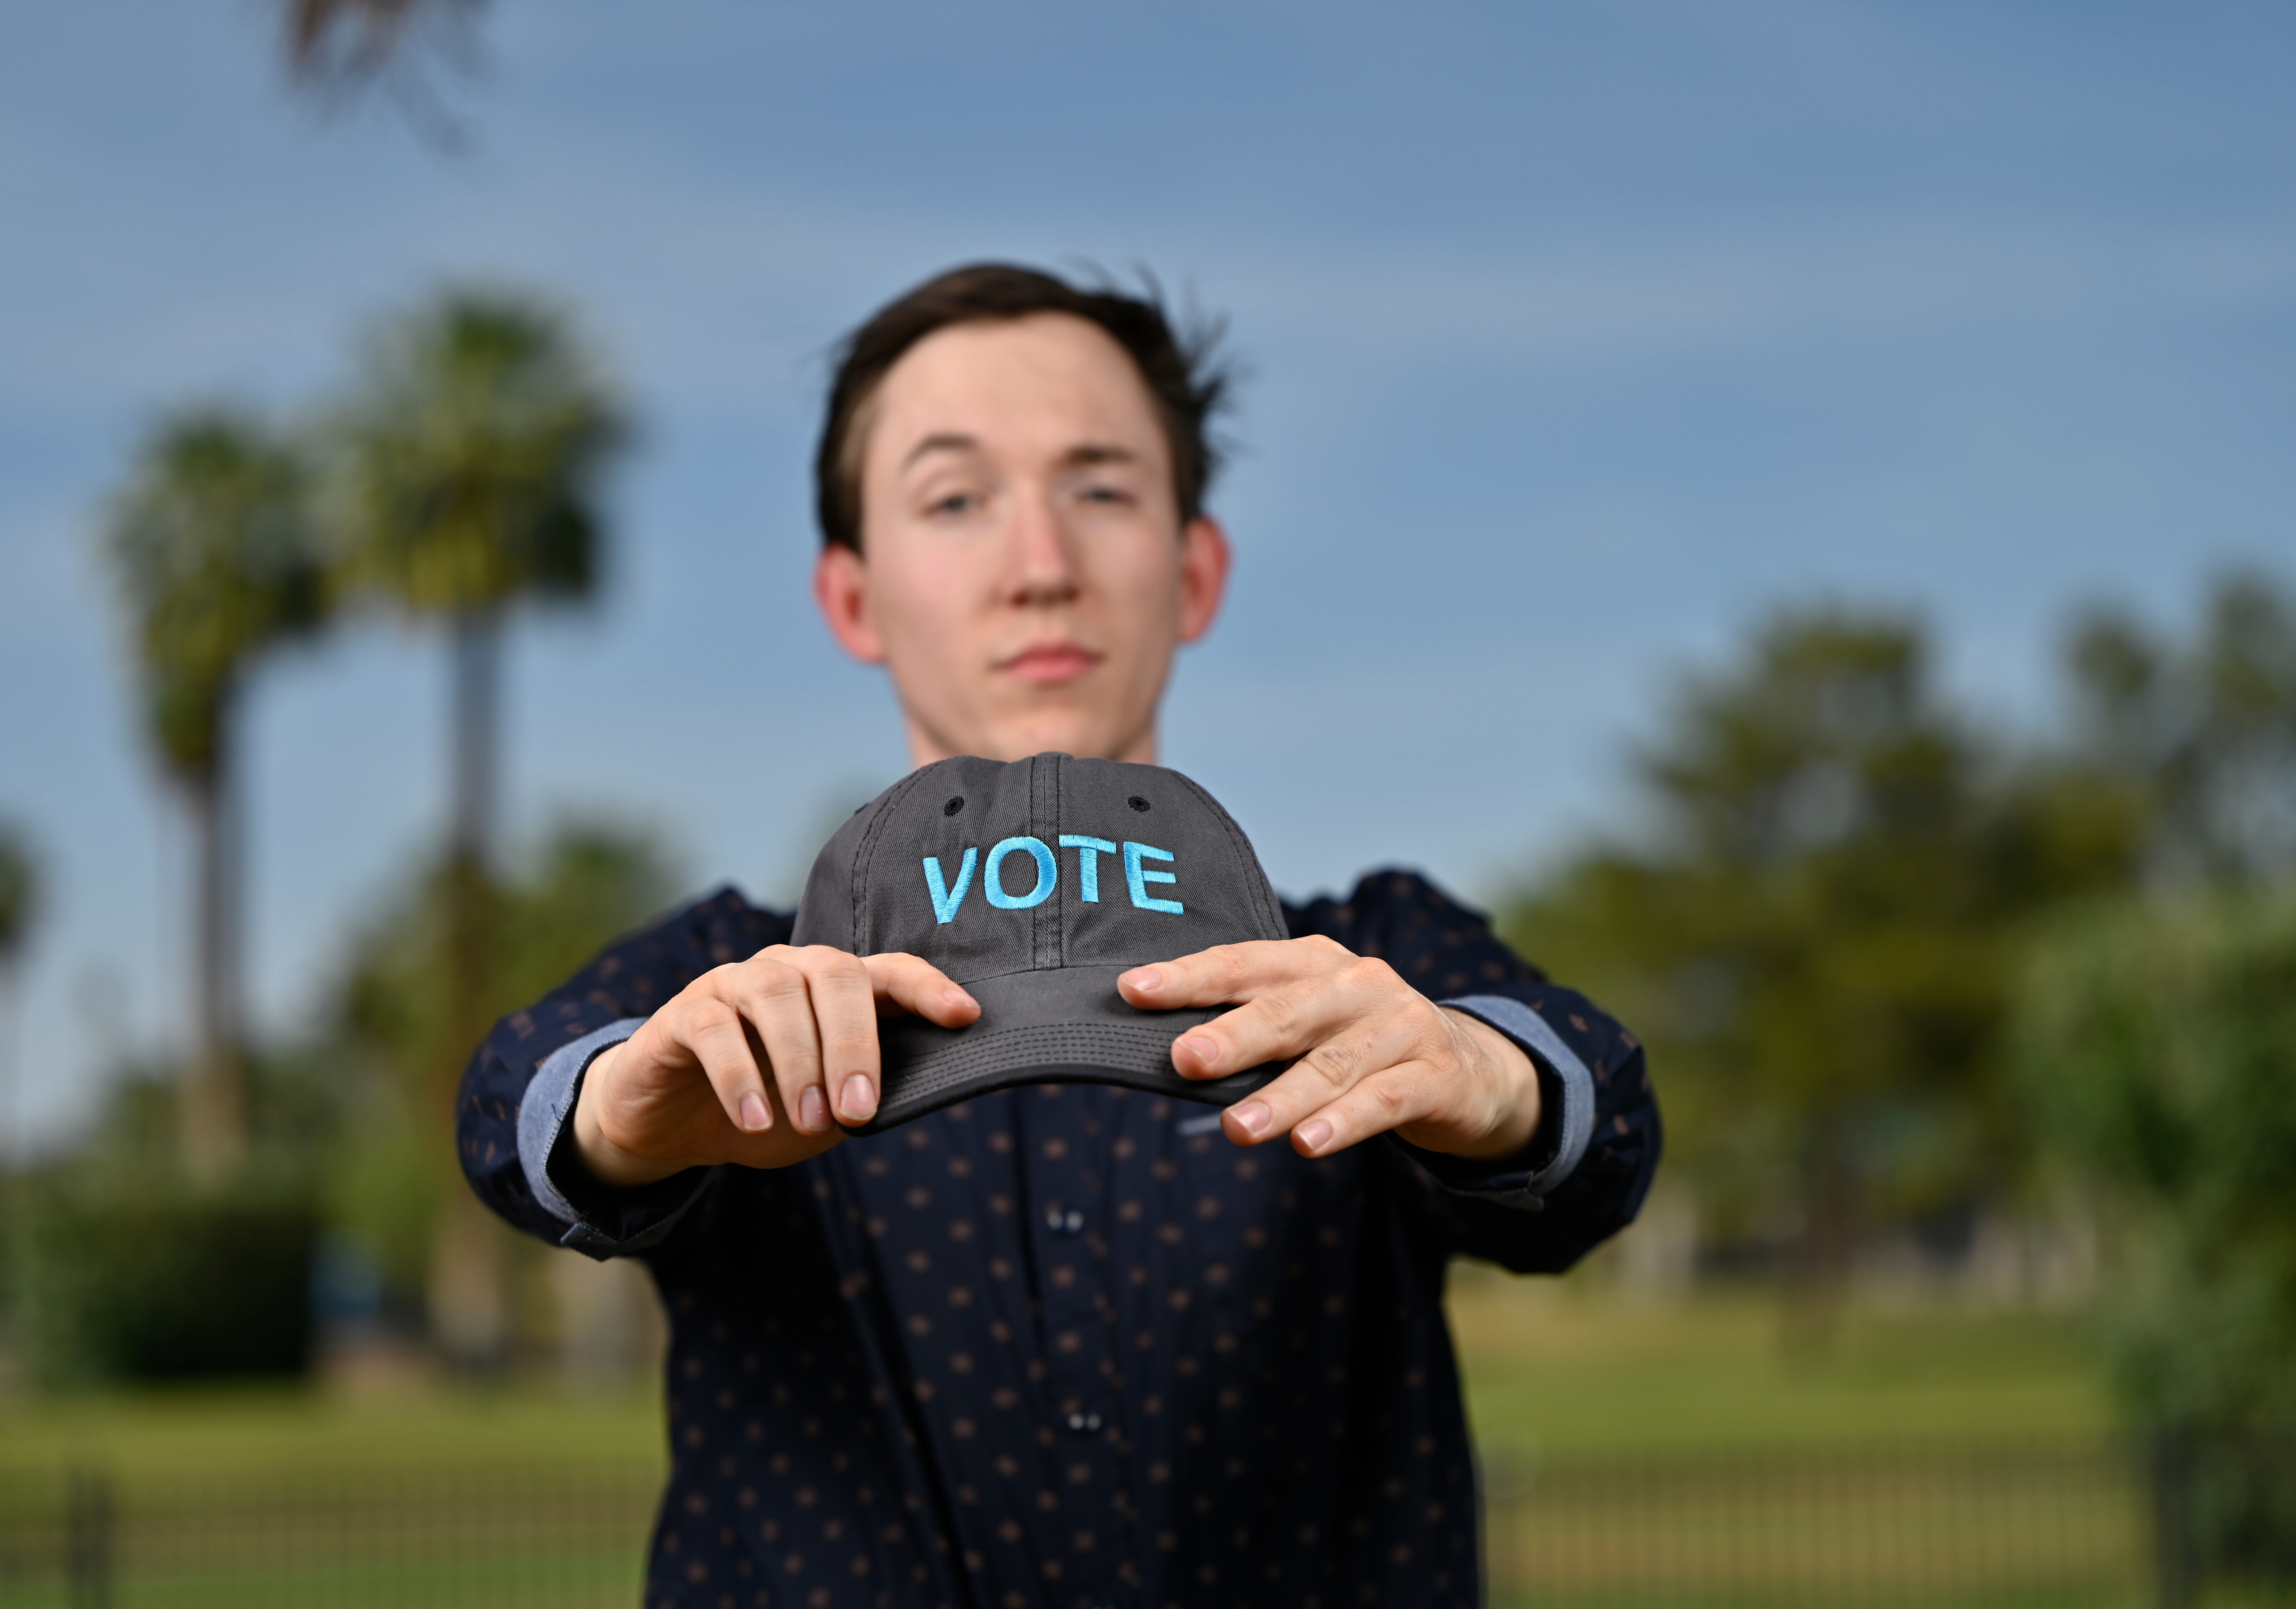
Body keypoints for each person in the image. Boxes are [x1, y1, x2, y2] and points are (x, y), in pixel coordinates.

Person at [458, 263, 1661, 1609]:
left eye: (1100, 488)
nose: (1042, 568)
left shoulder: (1361, 961)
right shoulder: (743, 975)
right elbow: (517, 1100)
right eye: (955, 498)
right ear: (852, 598)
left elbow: (1597, 1118)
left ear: (1196, 570)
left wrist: (1491, 1076)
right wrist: (626, 1113)